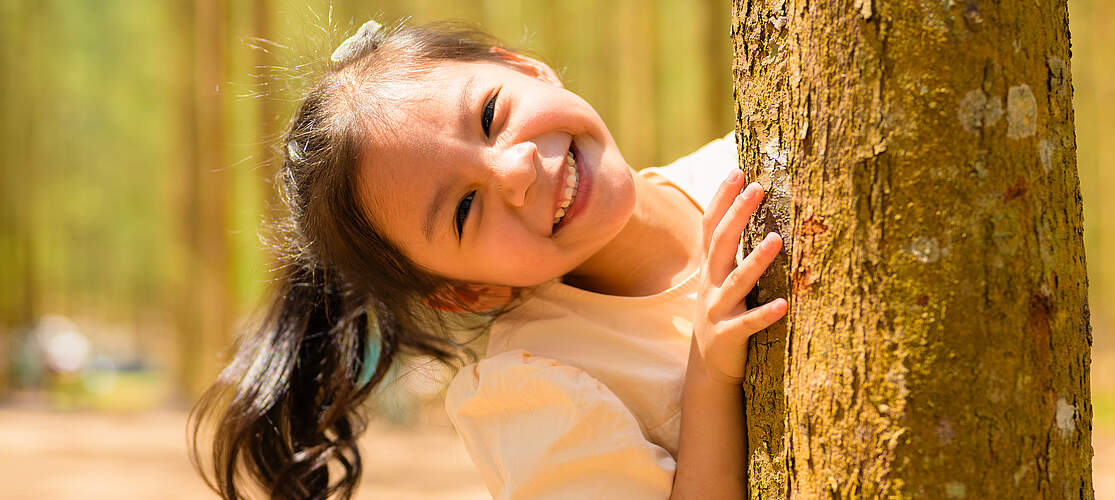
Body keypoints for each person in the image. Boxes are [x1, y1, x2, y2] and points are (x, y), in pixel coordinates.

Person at [190, 20, 786, 500]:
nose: (518, 170)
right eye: (464, 210)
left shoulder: (751, 156)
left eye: (489, 115)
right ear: (465, 292)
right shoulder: (538, 390)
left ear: (526, 68)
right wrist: (710, 375)